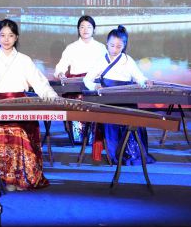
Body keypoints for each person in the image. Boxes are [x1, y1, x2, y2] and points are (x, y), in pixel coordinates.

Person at [0, 19, 58, 191]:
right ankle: (6, 179)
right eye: (2, 35)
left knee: (20, 130)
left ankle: (23, 177)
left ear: (16, 37)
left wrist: (52, 97)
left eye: (10, 35)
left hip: (21, 105)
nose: (6, 39)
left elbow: (40, 84)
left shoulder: (24, 60)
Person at [83, 25, 153, 166]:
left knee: (133, 120)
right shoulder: (101, 60)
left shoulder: (127, 60)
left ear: (124, 45)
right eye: (112, 45)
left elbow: (139, 77)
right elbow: (87, 79)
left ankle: (132, 154)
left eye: (119, 46)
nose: (115, 49)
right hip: (108, 101)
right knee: (111, 123)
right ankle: (116, 154)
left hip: (126, 99)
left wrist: (145, 81)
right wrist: (95, 86)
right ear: (107, 44)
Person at [53, 15, 106, 140]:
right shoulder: (71, 47)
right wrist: (61, 74)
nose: (85, 30)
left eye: (89, 27)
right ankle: (78, 136)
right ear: (78, 29)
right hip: (75, 85)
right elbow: (60, 67)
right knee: (77, 99)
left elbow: (106, 67)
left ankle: (94, 136)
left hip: (94, 84)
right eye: (82, 27)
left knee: (95, 100)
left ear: (94, 29)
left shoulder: (101, 47)